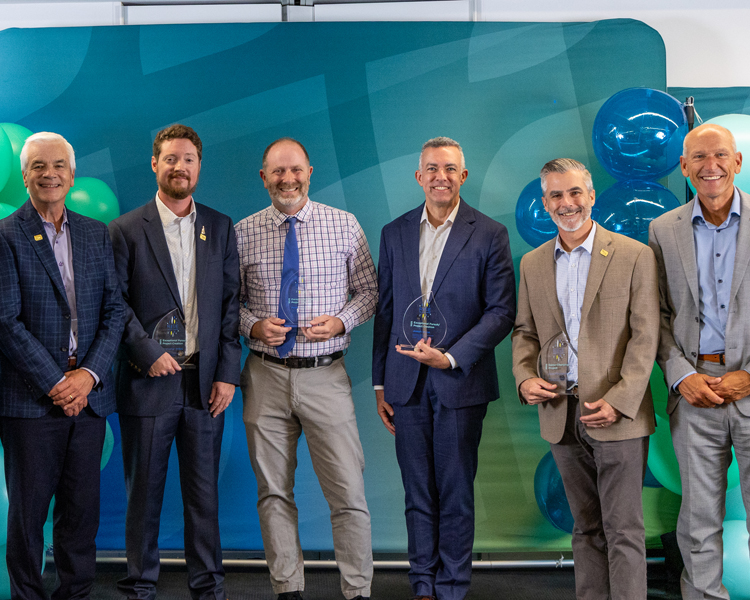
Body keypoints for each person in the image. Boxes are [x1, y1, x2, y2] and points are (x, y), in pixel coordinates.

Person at [649, 123, 750, 600]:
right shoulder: (664, 229)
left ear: (737, 162)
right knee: (698, 524)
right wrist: (681, 376)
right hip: (695, 392)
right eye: (698, 157)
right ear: (684, 167)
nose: (710, 165)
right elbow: (655, 315)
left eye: (720, 155)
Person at [372, 136, 516, 600]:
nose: (441, 176)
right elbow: (387, 311)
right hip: (405, 384)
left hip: (460, 381)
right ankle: (423, 584)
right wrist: (380, 383)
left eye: (450, 169)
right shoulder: (393, 233)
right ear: (419, 177)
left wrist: (451, 357)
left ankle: (452, 586)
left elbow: (501, 312)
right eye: (432, 168)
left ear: (464, 176)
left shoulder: (489, 233)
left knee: (455, 491)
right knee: (418, 492)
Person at [0, 132, 124, 600]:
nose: (50, 174)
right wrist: (55, 383)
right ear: (25, 175)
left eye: (59, 165)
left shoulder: (94, 233)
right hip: (28, 401)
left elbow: (114, 312)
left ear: (72, 173)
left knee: (81, 513)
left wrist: (86, 376)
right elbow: (5, 320)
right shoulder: (2, 235)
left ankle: (75, 595)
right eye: (39, 166)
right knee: (27, 516)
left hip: (89, 396)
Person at [236, 137, 377, 600]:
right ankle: (288, 590)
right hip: (265, 376)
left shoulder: (343, 225)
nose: (287, 179)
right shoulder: (243, 233)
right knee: (273, 493)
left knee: (348, 495)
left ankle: (357, 591)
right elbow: (229, 304)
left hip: (326, 375)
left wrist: (341, 320)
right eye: (277, 172)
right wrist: (254, 325)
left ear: (310, 172)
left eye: (295, 170)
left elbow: (370, 293)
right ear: (263, 177)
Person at [511, 158, 658, 600]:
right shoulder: (533, 263)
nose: (567, 203)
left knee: (624, 529)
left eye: (575, 192)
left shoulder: (634, 255)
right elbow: (525, 332)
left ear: (591, 196)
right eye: (556, 195)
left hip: (617, 414)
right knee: (585, 528)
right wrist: (523, 378)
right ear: (545, 203)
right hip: (560, 410)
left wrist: (620, 399)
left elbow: (646, 335)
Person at [109, 124, 240, 600]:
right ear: (154, 164)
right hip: (149, 382)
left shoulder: (220, 227)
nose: (179, 167)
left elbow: (229, 305)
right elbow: (114, 304)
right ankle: (140, 587)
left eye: (188, 159)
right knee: (143, 497)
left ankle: (208, 588)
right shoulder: (125, 230)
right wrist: (147, 352)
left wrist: (227, 373)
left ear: (198, 166)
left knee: (204, 498)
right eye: (170, 159)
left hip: (204, 384)